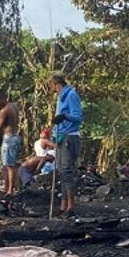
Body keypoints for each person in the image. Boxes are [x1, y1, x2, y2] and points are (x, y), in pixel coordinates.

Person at [49, 73, 82, 215]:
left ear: (57, 84)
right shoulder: (60, 98)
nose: (53, 90)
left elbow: (78, 117)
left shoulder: (71, 95)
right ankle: (63, 205)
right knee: (62, 171)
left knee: (67, 171)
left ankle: (71, 206)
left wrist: (65, 117)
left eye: (53, 87)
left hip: (70, 136)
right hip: (61, 136)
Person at [0, 93, 22, 196]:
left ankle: (10, 190)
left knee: (9, 166)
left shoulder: (4, 110)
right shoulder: (14, 106)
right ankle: (7, 188)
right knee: (9, 165)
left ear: (3, 99)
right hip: (15, 137)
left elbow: (0, 126)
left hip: (9, 138)